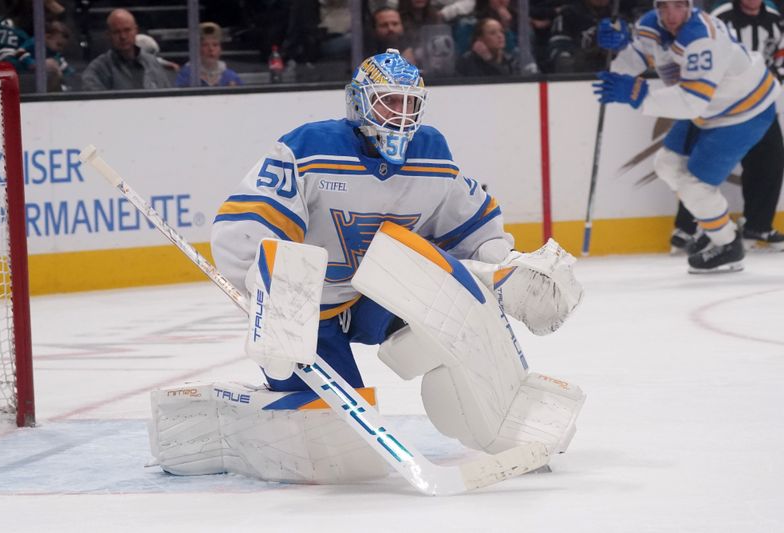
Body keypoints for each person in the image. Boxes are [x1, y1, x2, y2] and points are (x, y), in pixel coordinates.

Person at [148, 49, 586, 484]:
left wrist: (506, 268)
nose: (400, 113)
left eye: (409, 102)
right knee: (336, 441)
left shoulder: (432, 151)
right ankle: (217, 421)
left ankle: (508, 417)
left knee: (462, 317)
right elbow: (247, 228)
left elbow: (474, 229)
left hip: (382, 294)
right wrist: (272, 296)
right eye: (388, 100)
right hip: (309, 308)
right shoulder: (308, 148)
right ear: (358, 101)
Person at [594, 0, 781, 273]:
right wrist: (619, 48)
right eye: (664, 6)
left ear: (690, 6)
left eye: (679, 6)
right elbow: (632, 62)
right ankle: (715, 226)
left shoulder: (702, 36)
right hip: (710, 107)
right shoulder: (651, 24)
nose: (671, 14)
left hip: (744, 110)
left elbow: (692, 102)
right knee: (667, 165)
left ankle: (729, 246)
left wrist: (640, 96)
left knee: (695, 185)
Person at [669, 0, 784, 253]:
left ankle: (758, 223)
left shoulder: (774, 17)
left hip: (758, 102)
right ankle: (688, 227)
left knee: (770, 159)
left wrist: (770, 80)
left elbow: (780, 54)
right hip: (718, 105)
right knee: (700, 165)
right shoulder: (721, 16)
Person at [81, 8, 172, 91]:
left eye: (127, 30)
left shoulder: (152, 63)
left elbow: (168, 99)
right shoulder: (97, 70)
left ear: (136, 31)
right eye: (116, 32)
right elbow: (94, 105)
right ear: (108, 35)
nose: (123, 36)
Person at [175, 22, 241, 87]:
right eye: (205, 45)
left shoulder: (231, 77)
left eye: (215, 45)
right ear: (196, 49)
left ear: (220, 49)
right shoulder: (186, 75)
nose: (211, 49)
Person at [457, 17, 521, 75]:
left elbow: (508, 83)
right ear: (480, 39)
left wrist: (490, 60)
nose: (500, 36)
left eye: (501, 31)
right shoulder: (467, 61)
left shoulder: (511, 61)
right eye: (493, 33)